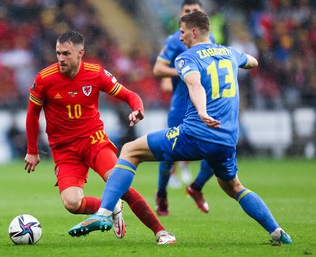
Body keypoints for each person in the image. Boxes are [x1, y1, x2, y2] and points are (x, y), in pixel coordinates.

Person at [69, 12, 292, 246]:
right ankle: (277, 232)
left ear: (194, 32)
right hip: (226, 139)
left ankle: (103, 213)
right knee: (234, 186)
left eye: (183, 31)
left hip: (195, 134)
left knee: (130, 150)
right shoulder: (228, 52)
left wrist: (203, 111)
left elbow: (194, 84)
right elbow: (252, 61)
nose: (181, 37)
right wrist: (241, 60)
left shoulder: (187, 57)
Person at [24, 30, 176, 245]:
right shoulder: (44, 78)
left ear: (80, 53)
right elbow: (32, 114)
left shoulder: (95, 73)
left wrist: (137, 108)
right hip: (64, 148)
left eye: (66, 53)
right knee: (72, 203)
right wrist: (32, 150)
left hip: (93, 140)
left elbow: (129, 95)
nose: (60, 59)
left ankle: (161, 232)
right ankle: (112, 207)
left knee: (119, 183)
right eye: (58, 53)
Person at [152, 0, 214, 216]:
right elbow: (158, 68)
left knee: (218, 150)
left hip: (207, 104)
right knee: (169, 154)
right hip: (181, 107)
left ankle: (196, 187)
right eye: (186, 11)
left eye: (194, 11)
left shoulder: (211, 41)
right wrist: (183, 71)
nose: (190, 14)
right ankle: (162, 193)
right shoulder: (175, 40)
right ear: (180, 15)